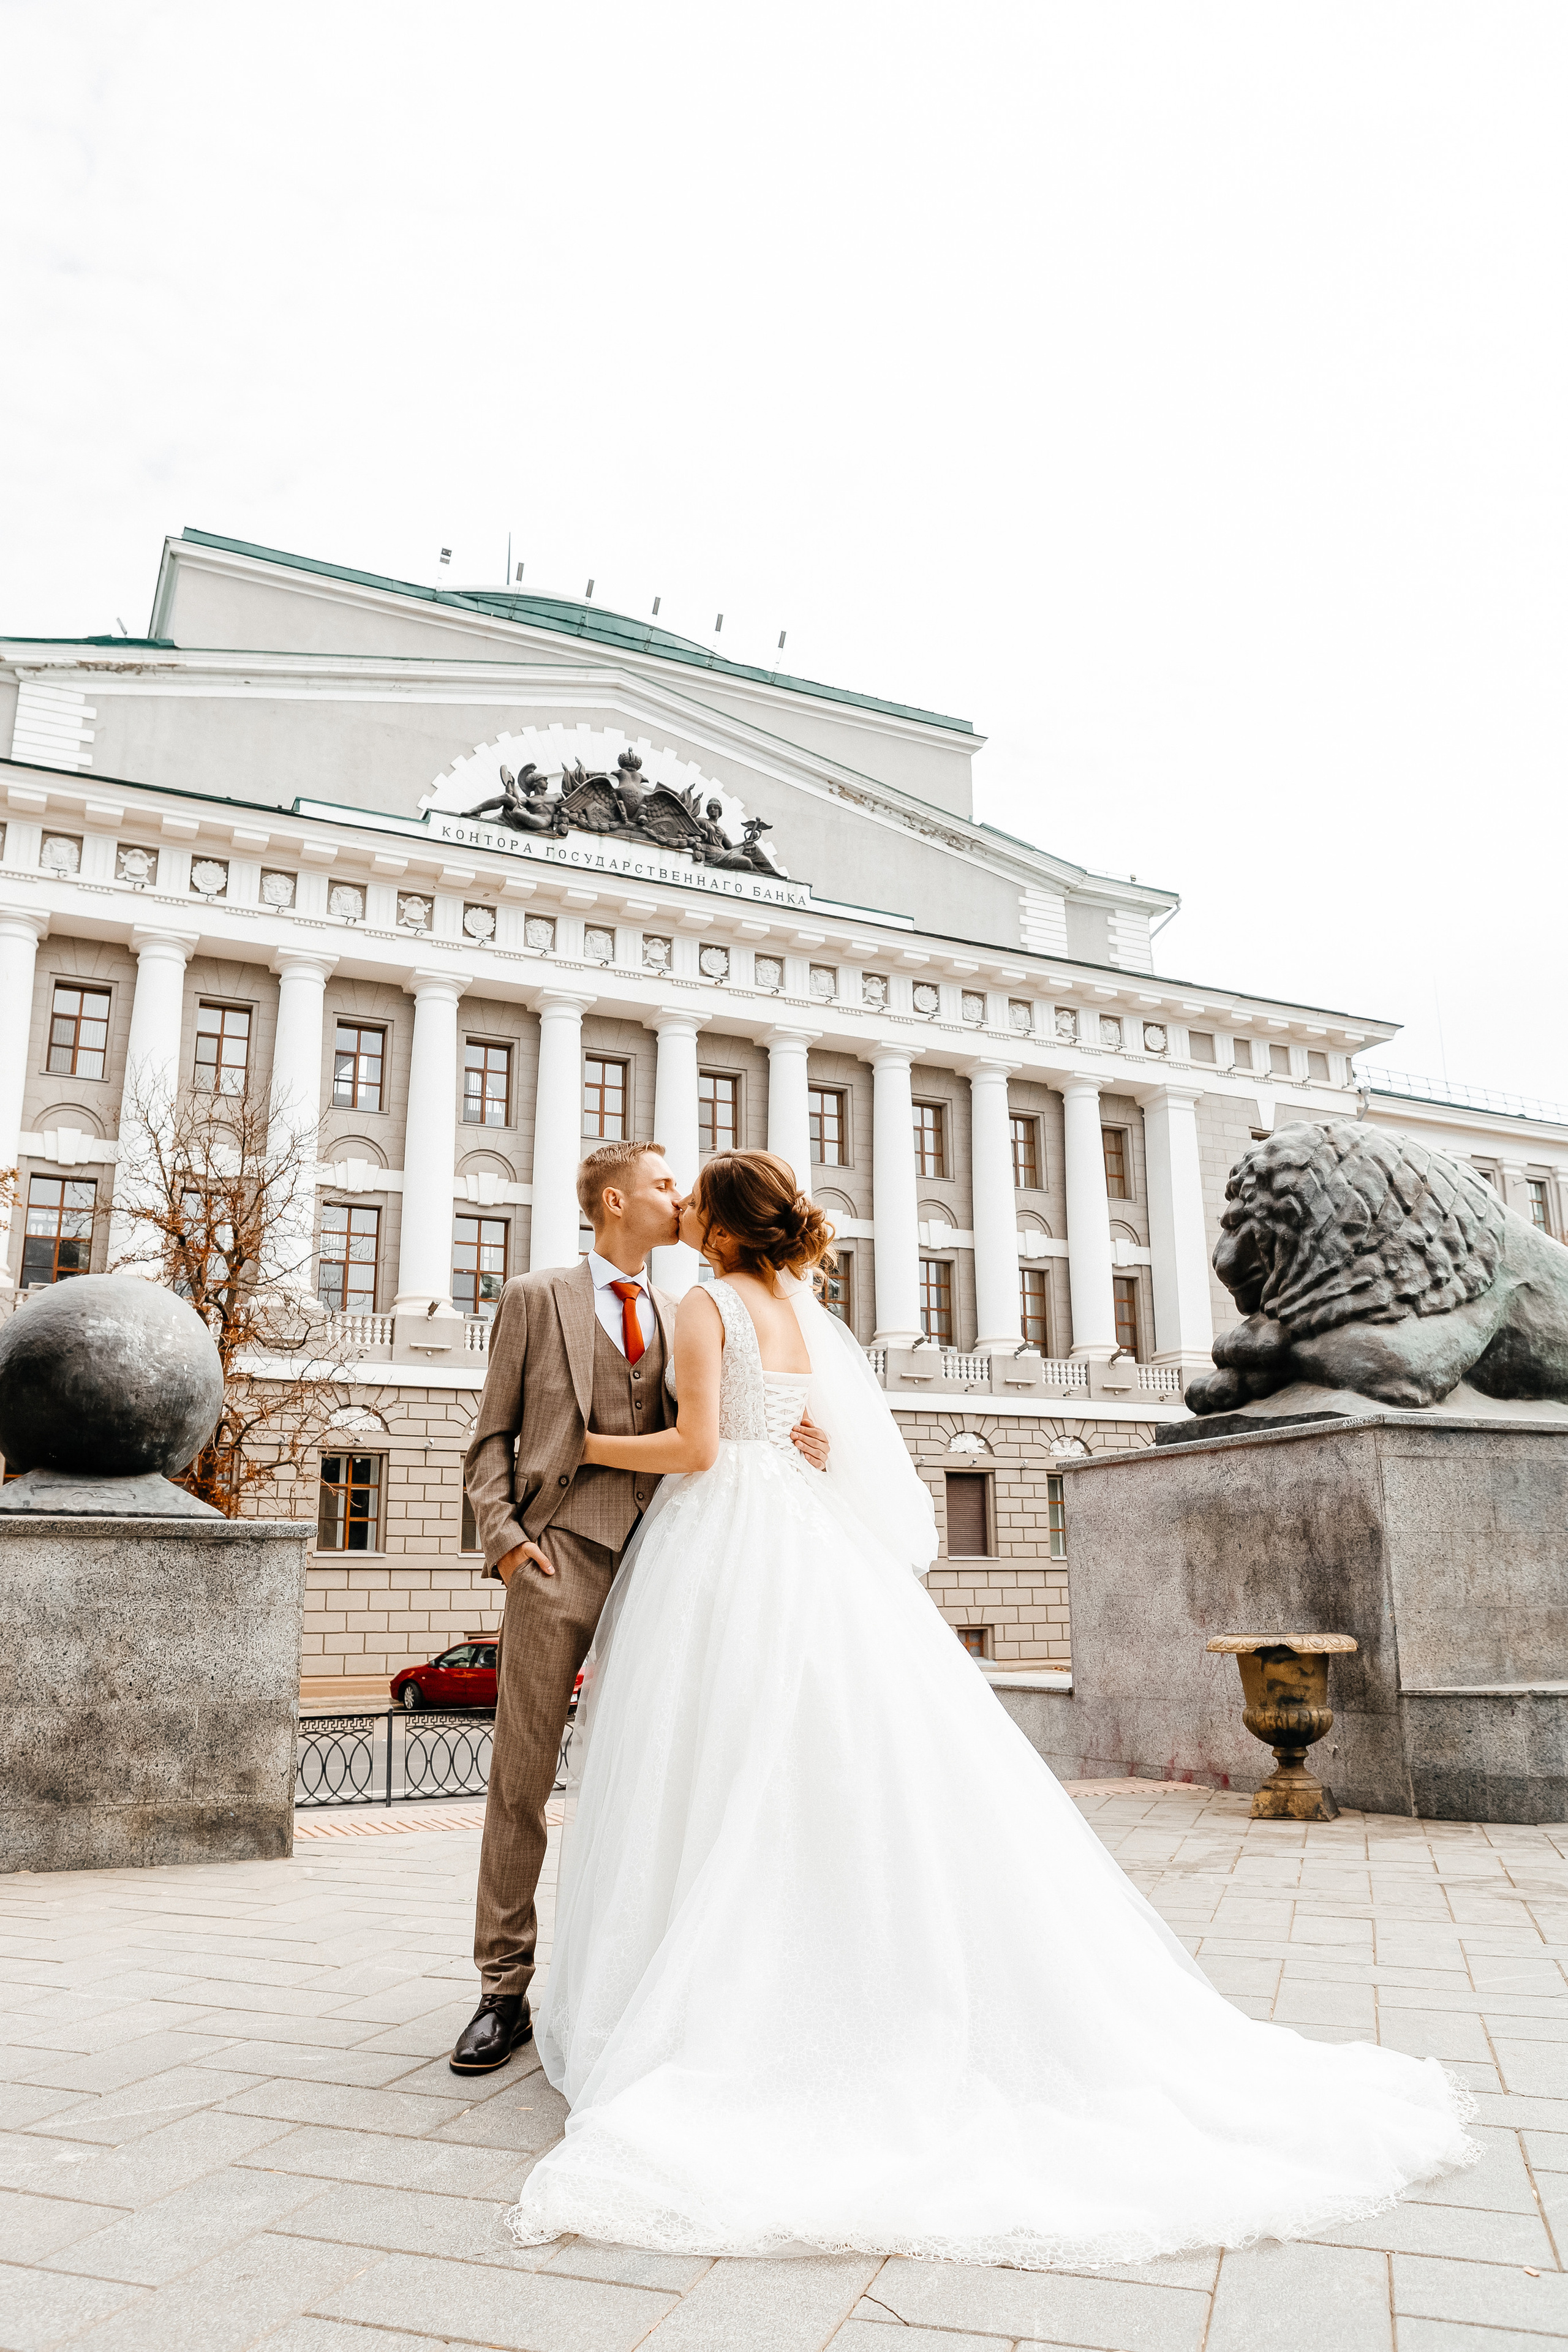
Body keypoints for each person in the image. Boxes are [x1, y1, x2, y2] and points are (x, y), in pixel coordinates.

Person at [503, 1149, 1476, 2269]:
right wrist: (797, 1443)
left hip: (724, 1536)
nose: (677, 1207)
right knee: (832, 1752)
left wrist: (576, 1444)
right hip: (811, 1537)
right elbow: (808, 1430)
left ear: (718, 1228)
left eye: (693, 1198)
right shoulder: (796, 1303)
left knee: (711, 1756)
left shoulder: (705, 1304)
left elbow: (699, 1446)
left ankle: (719, 1974)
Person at [451, 1140, 827, 2075]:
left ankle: (650, 1971)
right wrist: (507, 1545)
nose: (681, 1195)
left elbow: (725, 1422)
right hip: (558, 1555)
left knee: (670, 1767)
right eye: (666, 1184)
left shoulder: (693, 1305)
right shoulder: (538, 1298)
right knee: (523, 1777)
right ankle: (503, 1989)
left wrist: (798, 1433)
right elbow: (489, 1436)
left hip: (669, 1556)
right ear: (616, 1200)